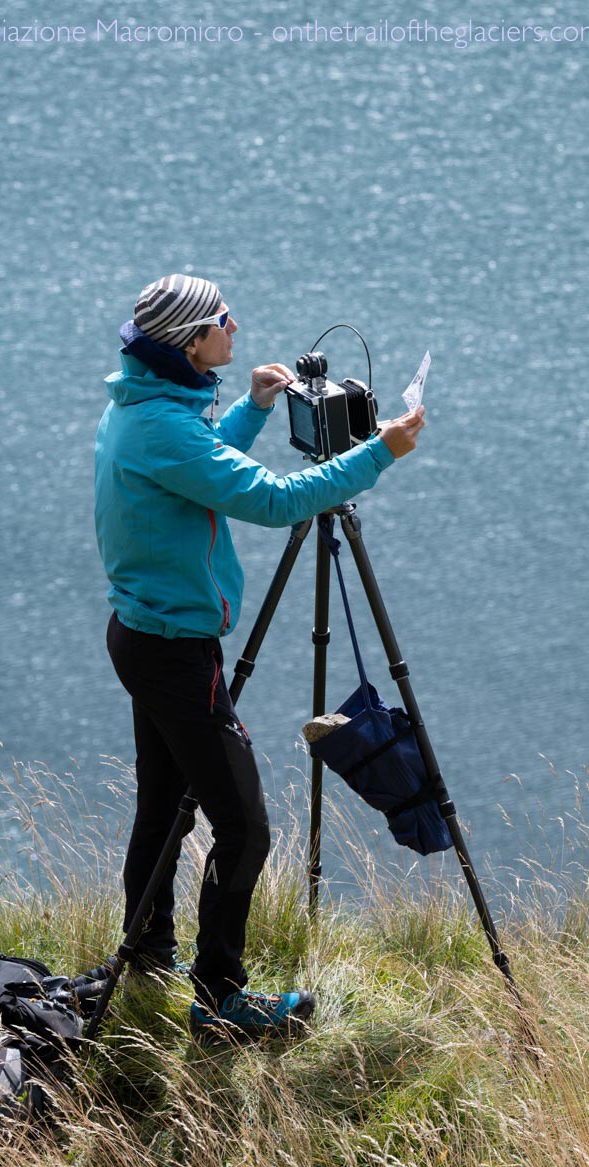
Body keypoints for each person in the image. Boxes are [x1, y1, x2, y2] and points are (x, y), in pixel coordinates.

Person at [91, 273, 426, 1041]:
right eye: (221, 320)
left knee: (163, 804)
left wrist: (253, 407)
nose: (235, 326)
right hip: (176, 653)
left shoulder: (143, 408)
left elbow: (198, 465)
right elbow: (274, 502)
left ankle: (146, 951)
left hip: (142, 635)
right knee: (243, 828)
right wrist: (380, 453)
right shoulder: (163, 428)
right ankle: (221, 1001)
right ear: (187, 342)